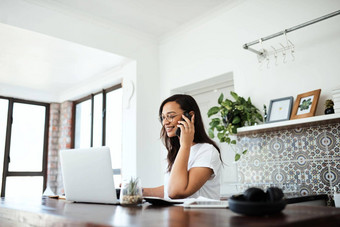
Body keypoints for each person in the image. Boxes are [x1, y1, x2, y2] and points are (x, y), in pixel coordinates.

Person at [143, 94, 222, 200]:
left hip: (201, 216)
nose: (165, 122)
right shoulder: (177, 151)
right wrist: (140, 191)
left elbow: (176, 192)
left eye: (171, 116)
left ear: (190, 116)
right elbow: (170, 188)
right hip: (177, 215)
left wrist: (185, 145)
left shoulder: (207, 151)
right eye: (163, 117)